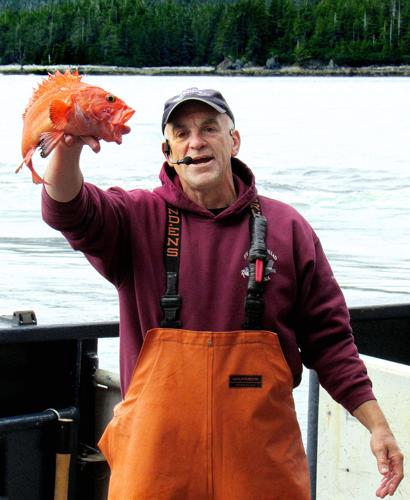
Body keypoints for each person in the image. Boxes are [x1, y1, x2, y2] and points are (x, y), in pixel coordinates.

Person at [42, 87, 403, 499]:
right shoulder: (134, 217)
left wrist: (378, 426)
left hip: (262, 474)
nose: (196, 141)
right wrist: (67, 146)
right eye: (181, 133)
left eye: (209, 128)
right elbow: (66, 208)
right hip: (154, 472)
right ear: (167, 151)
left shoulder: (288, 228)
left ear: (233, 141)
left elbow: (331, 343)